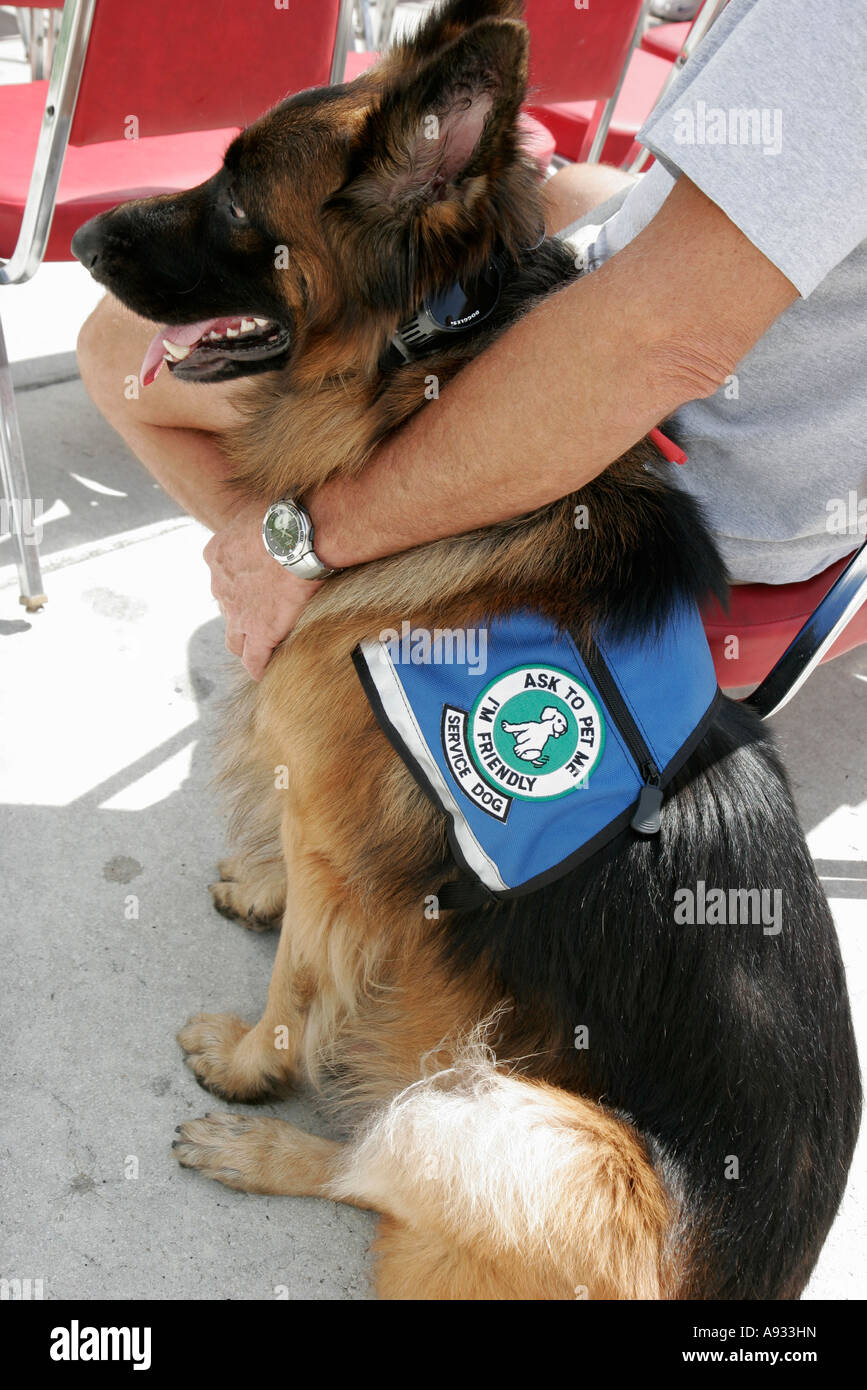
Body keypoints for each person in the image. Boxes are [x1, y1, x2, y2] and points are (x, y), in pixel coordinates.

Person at [77, 0, 867, 682]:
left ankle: (304, 611)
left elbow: (658, 342)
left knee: (117, 348)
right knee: (581, 184)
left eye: (238, 213)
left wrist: (301, 541)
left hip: (687, 474)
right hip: (818, 424)